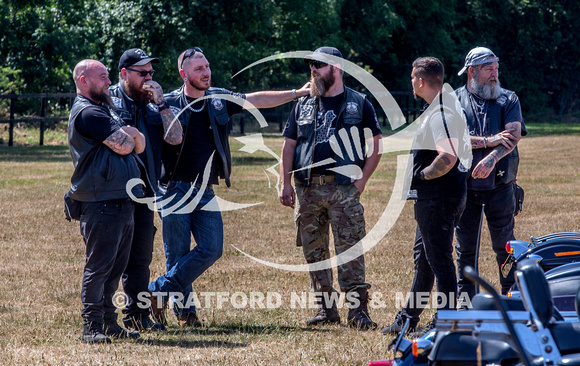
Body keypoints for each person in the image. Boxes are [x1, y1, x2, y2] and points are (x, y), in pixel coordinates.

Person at [148, 47, 310, 327]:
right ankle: (187, 315)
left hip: (205, 189)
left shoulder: (218, 99)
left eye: (207, 66)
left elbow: (255, 99)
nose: (206, 72)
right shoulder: (169, 102)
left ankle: (158, 289)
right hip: (173, 189)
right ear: (183, 74)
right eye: (199, 69)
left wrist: (296, 93)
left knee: (212, 248)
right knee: (178, 253)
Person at [279, 47, 383, 330]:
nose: (312, 69)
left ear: (336, 67)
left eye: (319, 65)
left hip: (343, 189)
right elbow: (289, 145)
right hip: (307, 190)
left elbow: (376, 145)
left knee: (350, 250)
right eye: (310, 65)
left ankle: (358, 312)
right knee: (315, 253)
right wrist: (284, 182)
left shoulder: (359, 103)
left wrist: (361, 181)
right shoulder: (303, 104)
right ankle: (326, 310)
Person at [382, 57, 471, 336]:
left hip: (438, 200)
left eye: (412, 78)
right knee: (426, 260)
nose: (411, 82)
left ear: (420, 81)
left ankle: (447, 323)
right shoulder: (437, 109)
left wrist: (422, 176)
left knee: (440, 261)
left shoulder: (440, 114)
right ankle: (408, 318)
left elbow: (447, 157)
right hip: (436, 199)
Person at [66, 59, 146, 343]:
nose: (108, 81)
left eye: (108, 76)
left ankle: (109, 322)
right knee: (98, 267)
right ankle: (92, 326)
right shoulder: (89, 114)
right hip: (101, 202)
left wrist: (132, 135)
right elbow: (127, 145)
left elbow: (139, 142)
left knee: (115, 267)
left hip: (121, 199)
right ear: (84, 80)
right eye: (102, 77)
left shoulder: (104, 110)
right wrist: (131, 134)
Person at [108, 48, 183, 332]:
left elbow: (175, 139)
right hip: (114, 191)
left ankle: (136, 315)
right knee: (112, 259)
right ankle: (101, 319)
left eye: (151, 72)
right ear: (125, 74)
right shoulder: (110, 102)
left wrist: (163, 105)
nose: (149, 78)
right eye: (143, 73)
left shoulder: (153, 105)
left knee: (140, 258)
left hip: (144, 192)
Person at [454, 47, 526, 302]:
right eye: (489, 69)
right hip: (464, 187)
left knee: (506, 247)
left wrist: (490, 158)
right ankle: (466, 304)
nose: (495, 74)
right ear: (472, 71)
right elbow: (453, 140)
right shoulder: (454, 100)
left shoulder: (509, 99)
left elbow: (512, 136)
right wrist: (488, 140)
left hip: (500, 186)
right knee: (465, 249)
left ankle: (512, 297)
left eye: (496, 68)